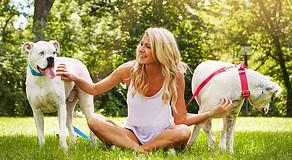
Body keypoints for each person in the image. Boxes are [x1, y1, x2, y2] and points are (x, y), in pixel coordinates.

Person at [56, 27, 232, 152]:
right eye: (142, 44)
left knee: (183, 131)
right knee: (94, 120)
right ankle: (141, 149)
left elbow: (181, 119)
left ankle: (136, 149)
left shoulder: (174, 75)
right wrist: (74, 77)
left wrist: (211, 113)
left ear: (161, 51)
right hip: (132, 134)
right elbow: (94, 89)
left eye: (148, 47)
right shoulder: (128, 71)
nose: (141, 49)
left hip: (164, 134)